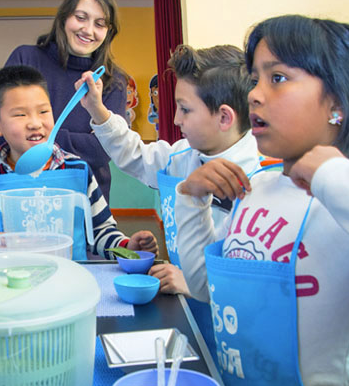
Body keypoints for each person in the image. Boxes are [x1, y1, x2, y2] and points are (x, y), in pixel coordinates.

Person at [174, 15, 349, 386]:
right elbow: (210, 289)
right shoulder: (254, 189)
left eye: (276, 78)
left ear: (339, 103)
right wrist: (190, 199)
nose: (254, 95)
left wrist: (335, 176)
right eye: (254, 78)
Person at [77, 44, 259, 360]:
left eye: (185, 109)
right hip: (188, 320)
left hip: (239, 337)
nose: (175, 119)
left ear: (225, 117)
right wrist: (97, 110)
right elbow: (133, 153)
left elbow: (256, 284)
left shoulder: (262, 182)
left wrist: (193, 283)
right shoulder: (182, 157)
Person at [0, 65, 157, 260]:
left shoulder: (78, 169)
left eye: (43, 111)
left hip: (70, 281)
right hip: (13, 283)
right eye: (20, 115)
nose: (35, 123)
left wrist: (126, 246)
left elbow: (100, 231)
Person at [0, 0, 127, 203]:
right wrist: (80, 141)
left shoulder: (113, 81)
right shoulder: (25, 57)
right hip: (23, 194)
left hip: (85, 200)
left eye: (100, 24)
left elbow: (103, 150)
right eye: (81, 17)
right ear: (64, 18)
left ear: (109, 31)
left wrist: (36, 137)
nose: (88, 30)